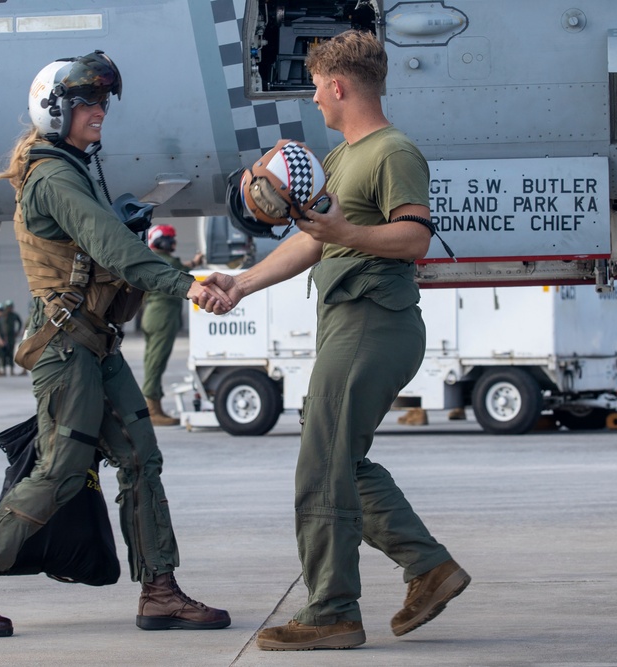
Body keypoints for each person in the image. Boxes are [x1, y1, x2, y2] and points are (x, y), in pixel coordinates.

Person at [0, 50, 232, 638]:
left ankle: (160, 591)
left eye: (102, 103)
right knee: (62, 471)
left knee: (142, 459)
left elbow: (100, 242)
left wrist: (126, 224)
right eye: (86, 103)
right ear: (54, 112)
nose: (99, 113)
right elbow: (111, 249)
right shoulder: (53, 174)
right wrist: (188, 286)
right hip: (64, 349)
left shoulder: (74, 168)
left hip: (94, 343)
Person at [200, 30, 470, 650]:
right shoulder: (340, 158)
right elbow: (316, 239)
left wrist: (346, 229)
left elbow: (413, 238)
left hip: (375, 317)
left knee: (320, 466)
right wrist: (240, 283)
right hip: (351, 321)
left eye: (319, 87)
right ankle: (429, 568)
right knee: (339, 461)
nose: (316, 99)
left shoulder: (391, 152)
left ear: (340, 86)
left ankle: (332, 612)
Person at [141, 224, 204, 426]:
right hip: (163, 315)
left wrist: (192, 262)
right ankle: (152, 409)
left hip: (152, 314)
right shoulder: (169, 261)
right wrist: (195, 262)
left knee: (151, 361)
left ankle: (154, 405)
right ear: (163, 242)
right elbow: (183, 272)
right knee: (156, 362)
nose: (174, 243)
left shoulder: (155, 260)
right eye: (171, 239)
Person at [2, 299, 23, 376]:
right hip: (4, 336)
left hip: (11, 336)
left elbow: (20, 322)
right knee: (4, 354)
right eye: (8, 307)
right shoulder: (3, 315)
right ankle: (4, 370)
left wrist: (17, 331)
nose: (9, 309)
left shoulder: (14, 315)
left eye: (10, 307)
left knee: (11, 353)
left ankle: (11, 370)